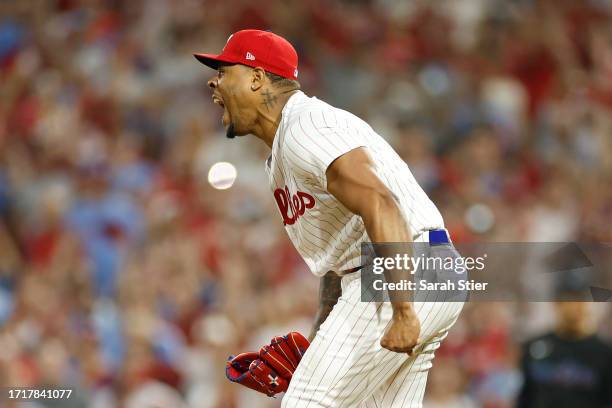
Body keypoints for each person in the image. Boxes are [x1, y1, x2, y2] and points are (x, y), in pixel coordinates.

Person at [194, 29, 464, 407]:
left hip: (400, 270)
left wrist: (403, 309)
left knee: (306, 404)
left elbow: (381, 202)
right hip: (417, 268)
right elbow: (340, 264)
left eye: (223, 71)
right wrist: (318, 343)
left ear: (256, 78)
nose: (213, 80)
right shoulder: (285, 150)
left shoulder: (306, 125)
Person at [517, 300, 612, 408]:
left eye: (578, 301)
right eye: (566, 300)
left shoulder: (604, 351)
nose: (571, 307)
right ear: (556, 305)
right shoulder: (535, 346)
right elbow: (525, 395)